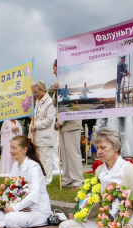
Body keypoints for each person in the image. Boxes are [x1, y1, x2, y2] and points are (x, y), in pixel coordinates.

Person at [59, 127, 133, 228]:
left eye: (103, 148)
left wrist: (131, 226)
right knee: (65, 227)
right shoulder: (99, 171)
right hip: (103, 223)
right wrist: (80, 214)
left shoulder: (131, 172)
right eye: (97, 148)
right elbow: (97, 203)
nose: (99, 152)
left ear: (115, 147)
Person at [0, 135, 51, 228]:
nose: (11, 151)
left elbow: (34, 195)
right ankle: (11, 219)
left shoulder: (34, 167)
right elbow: (8, 190)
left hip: (37, 211)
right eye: (11, 147)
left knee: (11, 219)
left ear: (24, 150)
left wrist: (14, 209)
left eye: (14, 148)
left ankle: (10, 220)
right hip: (20, 210)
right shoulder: (15, 166)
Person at [53, 60, 84, 190]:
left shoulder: (71, 82)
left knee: (73, 153)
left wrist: (62, 121)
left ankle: (78, 181)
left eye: (54, 68)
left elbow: (72, 104)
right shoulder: (59, 84)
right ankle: (67, 180)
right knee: (64, 155)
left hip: (72, 123)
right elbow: (55, 104)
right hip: (64, 126)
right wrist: (55, 92)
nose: (53, 71)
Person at [30, 80, 56, 184]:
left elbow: (49, 120)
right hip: (37, 136)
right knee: (38, 158)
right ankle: (40, 178)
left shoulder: (50, 102)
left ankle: (47, 179)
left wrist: (36, 125)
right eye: (33, 93)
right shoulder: (37, 101)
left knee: (46, 159)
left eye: (36, 93)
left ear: (43, 90)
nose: (34, 95)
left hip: (46, 135)